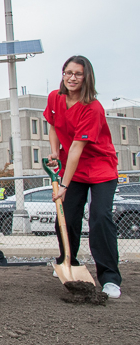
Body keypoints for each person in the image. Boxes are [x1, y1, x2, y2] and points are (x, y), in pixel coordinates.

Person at [45, 55, 122, 298]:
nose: (72, 77)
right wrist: (55, 152)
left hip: (100, 168)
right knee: (66, 218)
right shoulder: (55, 98)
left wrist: (64, 185)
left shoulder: (93, 108)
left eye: (78, 73)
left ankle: (110, 278)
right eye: (68, 72)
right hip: (71, 167)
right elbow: (53, 125)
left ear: (86, 77)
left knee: (100, 217)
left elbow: (78, 147)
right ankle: (68, 260)